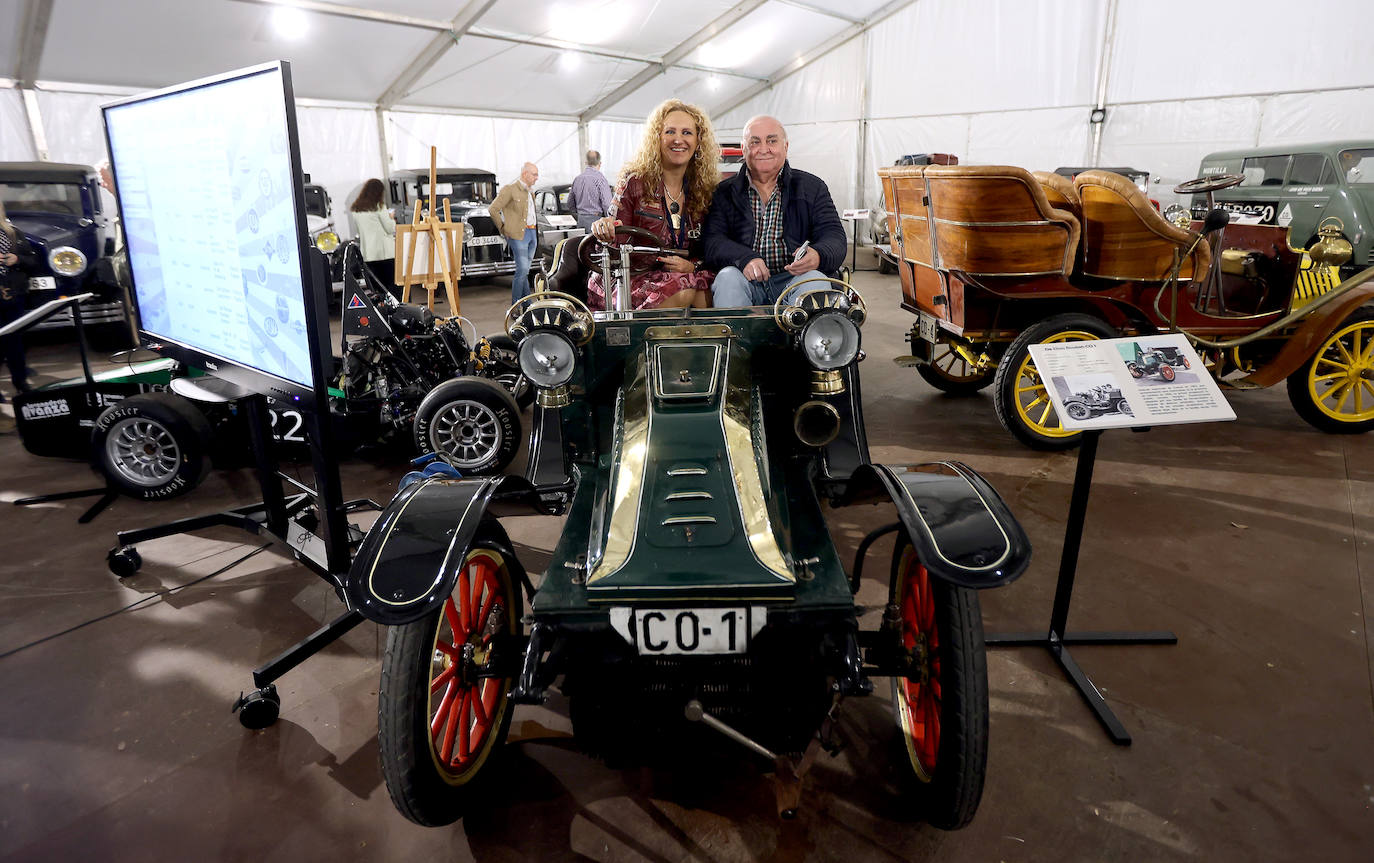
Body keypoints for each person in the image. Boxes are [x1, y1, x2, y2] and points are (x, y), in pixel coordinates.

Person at [588, 99, 720, 310]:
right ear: (656, 138)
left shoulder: (704, 189)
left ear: (698, 141)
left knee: (707, 292)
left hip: (682, 276)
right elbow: (614, 248)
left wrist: (692, 266)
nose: (678, 139)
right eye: (670, 132)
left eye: (687, 132)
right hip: (631, 277)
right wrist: (605, 229)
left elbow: (711, 248)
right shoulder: (634, 182)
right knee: (683, 291)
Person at [703, 115, 847, 306]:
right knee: (727, 278)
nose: (763, 149)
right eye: (755, 142)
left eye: (771, 141)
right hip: (746, 279)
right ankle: (735, 327)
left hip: (796, 279)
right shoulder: (723, 192)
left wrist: (818, 254)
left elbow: (835, 236)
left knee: (815, 281)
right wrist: (744, 258)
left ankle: (806, 327)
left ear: (785, 147)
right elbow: (712, 241)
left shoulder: (812, 187)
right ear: (744, 149)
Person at [1, 199, 37, 409]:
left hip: (14, 294)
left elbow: (32, 261)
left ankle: (21, 382)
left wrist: (17, 259)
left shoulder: (14, 233)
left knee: (14, 341)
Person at [490, 162, 540, 304]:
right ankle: (516, 305)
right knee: (522, 270)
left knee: (525, 271)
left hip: (532, 233)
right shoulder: (510, 190)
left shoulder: (530, 192)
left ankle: (526, 305)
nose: (537, 177)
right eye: (534, 174)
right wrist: (503, 228)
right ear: (525, 174)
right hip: (518, 235)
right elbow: (493, 209)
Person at [350, 179, 397, 296]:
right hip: (385, 254)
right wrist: (391, 217)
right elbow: (390, 228)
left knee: (377, 290)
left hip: (368, 254)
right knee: (392, 289)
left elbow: (359, 231)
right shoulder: (379, 207)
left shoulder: (356, 209)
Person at [567, 150, 612, 232]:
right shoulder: (601, 179)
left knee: (582, 240)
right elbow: (607, 204)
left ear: (586, 162)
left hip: (580, 220)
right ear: (600, 163)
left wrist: (579, 213)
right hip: (596, 222)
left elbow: (570, 203)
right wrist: (610, 220)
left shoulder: (577, 179)